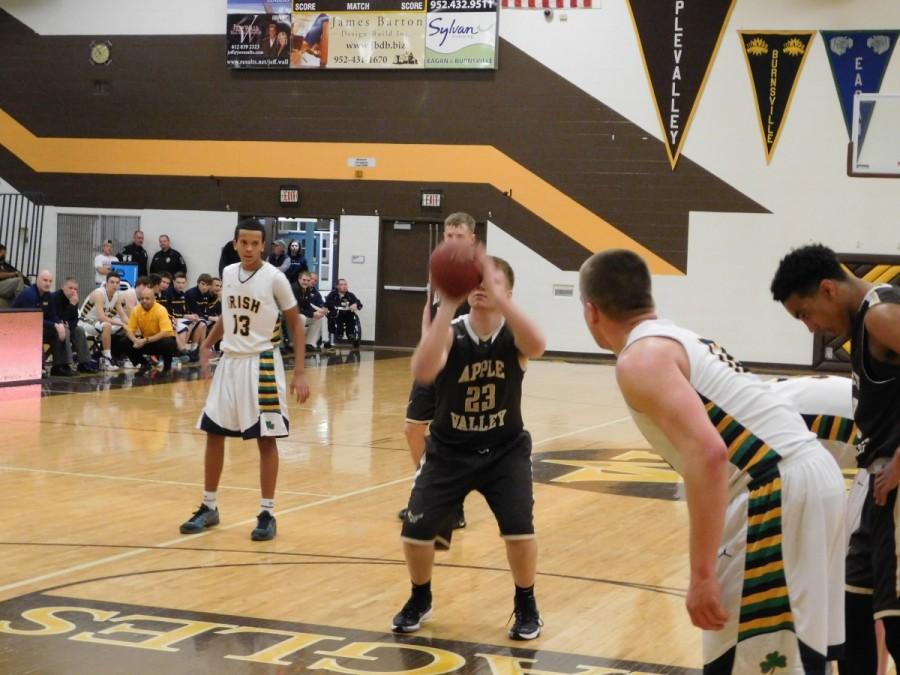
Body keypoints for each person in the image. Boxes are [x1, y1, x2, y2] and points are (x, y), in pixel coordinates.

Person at [579, 249, 846, 673]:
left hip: (774, 491)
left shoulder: (640, 359)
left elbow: (709, 453)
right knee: (797, 657)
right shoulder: (681, 339)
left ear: (591, 311)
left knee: (757, 659)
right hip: (810, 478)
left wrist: (702, 573)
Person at [393, 250, 546, 641]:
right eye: (476, 281)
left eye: (491, 282)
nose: (481, 288)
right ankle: (420, 597)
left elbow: (539, 345)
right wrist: (446, 304)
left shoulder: (513, 336)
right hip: (448, 451)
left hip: (505, 450)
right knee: (416, 532)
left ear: (508, 291)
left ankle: (526, 602)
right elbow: (423, 370)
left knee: (519, 530)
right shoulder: (453, 331)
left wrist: (503, 298)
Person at [771, 243, 900, 674]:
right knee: (853, 615)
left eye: (804, 314)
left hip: (894, 480)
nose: (812, 328)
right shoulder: (869, 316)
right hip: (874, 487)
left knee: (897, 627)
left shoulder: (881, 316)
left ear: (827, 289)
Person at [180, 218, 310, 542]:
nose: (249, 248)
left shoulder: (275, 278)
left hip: (262, 363)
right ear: (235, 244)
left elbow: (296, 324)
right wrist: (208, 343)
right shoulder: (226, 274)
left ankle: (267, 513)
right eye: (244, 243)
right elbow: (227, 315)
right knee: (214, 433)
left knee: (266, 440)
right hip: (230, 362)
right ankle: (209, 506)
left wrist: (301, 372)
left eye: (255, 243)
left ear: (263, 245)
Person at [400, 211, 477, 528]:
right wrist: (424, 340)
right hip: (433, 360)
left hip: (459, 365)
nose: (454, 241)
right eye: (449, 236)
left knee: (450, 439)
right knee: (413, 430)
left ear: (472, 239)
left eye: (460, 236)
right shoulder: (437, 268)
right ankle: (430, 495)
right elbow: (429, 305)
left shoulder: (478, 272)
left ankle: (451, 507)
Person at [12, 270, 70, 374]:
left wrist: (59, 324)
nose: (48, 283)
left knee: (62, 330)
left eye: (50, 281)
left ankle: (59, 366)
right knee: (37, 331)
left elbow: (53, 315)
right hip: (16, 327)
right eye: (45, 280)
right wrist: (54, 325)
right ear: (37, 280)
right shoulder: (29, 294)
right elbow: (33, 319)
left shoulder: (48, 296)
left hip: (35, 325)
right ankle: (39, 367)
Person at [78, 271, 128, 371]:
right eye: (112, 282)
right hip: (85, 322)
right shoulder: (99, 294)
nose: (115, 285)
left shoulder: (117, 296)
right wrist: (122, 323)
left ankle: (121, 356)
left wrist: (131, 324)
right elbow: (102, 317)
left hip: (98, 324)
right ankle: (107, 359)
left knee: (126, 327)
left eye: (117, 282)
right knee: (107, 325)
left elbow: (123, 316)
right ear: (106, 283)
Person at [124, 285, 178, 375]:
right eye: (142, 298)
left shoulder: (161, 310)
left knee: (169, 343)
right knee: (125, 341)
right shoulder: (136, 310)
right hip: (146, 341)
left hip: (159, 341)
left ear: (154, 299)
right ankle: (145, 363)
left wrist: (145, 340)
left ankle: (167, 368)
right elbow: (129, 330)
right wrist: (135, 340)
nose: (144, 301)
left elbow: (165, 332)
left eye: (147, 298)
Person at [51, 277, 97, 374]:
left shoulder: (73, 299)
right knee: (65, 330)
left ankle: (84, 363)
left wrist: (69, 324)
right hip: (53, 327)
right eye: (70, 288)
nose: (73, 291)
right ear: (63, 287)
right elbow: (58, 317)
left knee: (79, 330)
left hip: (66, 326)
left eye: (75, 289)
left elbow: (75, 319)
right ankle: (64, 364)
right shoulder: (55, 298)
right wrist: (71, 305)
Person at [291, 271, 327, 352]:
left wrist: (316, 314)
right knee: (302, 318)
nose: (306, 282)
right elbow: (296, 308)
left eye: (308, 280)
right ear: (299, 279)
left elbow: (307, 306)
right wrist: (312, 314)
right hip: (287, 315)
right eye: (304, 280)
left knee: (319, 318)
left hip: (299, 314)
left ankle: (309, 344)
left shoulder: (306, 289)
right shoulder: (294, 288)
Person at [325, 278, 362, 348]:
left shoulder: (350, 295)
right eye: (342, 284)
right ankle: (338, 333)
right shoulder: (332, 295)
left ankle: (351, 334)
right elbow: (327, 303)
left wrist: (356, 304)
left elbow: (359, 303)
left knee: (352, 314)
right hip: (336, 315)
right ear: (337, 286)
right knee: (335, 315)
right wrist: (334, 307)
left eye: (345, 284)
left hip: (348, 315)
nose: (344, 286)